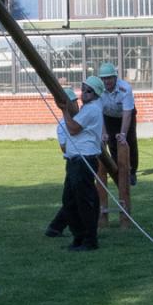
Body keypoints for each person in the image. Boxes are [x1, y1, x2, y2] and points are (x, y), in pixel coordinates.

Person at [58, 76, 105, 251]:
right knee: (69, 201)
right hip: (75, 160)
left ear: (96, 94)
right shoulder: (87, 108)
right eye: (83, 89)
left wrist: (65, 111)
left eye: (89, 91)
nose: (84, 93)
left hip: (83, 160)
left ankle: (89, 240)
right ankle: (79, 237)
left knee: (83, 202)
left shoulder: (92, 109)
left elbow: (72, 128)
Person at [97, 62, 138, 186]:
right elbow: (99, 112)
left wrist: (123, 134)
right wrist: (103, 133)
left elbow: (127, 113)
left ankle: (132, 172)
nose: (106, 81)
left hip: (125, 114)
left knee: (129, 141)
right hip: (109, 116)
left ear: (115, 77)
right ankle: (117, 171)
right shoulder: (98, 90)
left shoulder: (125, 89)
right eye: (104, 78)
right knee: (112, 142)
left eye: (109, 78)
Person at [45, 88, 78, 237]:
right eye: (71, 103)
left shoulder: (82, 118)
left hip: (83, 162)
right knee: (73, 199)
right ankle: (56, 227)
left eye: (75, 102)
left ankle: (57, 227)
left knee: (76, 198)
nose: (75, 105)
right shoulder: (63, 125)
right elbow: (64, 147)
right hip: (73, 162)